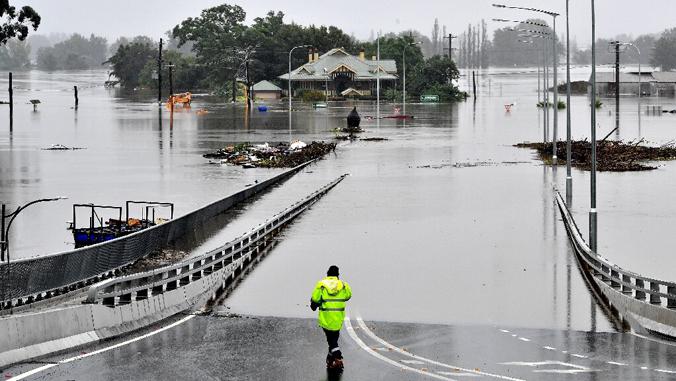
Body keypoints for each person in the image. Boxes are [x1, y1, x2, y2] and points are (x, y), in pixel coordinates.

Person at [310, 265, 352, 370]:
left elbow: (315, 298)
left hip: (326, 318)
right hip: (338, 318)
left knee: (331, 341)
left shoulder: (322, 284)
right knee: (333, 339)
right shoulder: (343, 285)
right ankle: (331, 359)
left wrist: (313, 305)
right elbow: (348, 296)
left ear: (327, 274)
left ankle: (337, 356)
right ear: (338, 275)